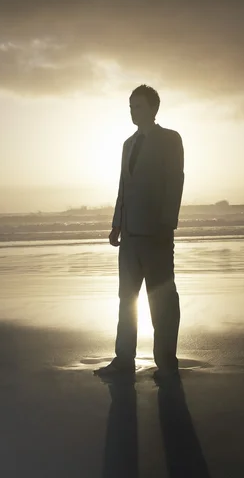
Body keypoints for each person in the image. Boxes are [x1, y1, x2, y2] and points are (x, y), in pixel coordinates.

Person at [94, 84, 184, 382]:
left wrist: (167, 223)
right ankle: (123, 360)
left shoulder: (170, 140)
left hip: (157, 235)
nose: (133, 111)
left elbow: (175, 182)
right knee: (126, 300)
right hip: (130, 236)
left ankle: (167, 365)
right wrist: (116, 223)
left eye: (138, 106)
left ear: (153, 109)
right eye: (130, 106)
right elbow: (123, 186)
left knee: (163, 303)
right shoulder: (127, 144)